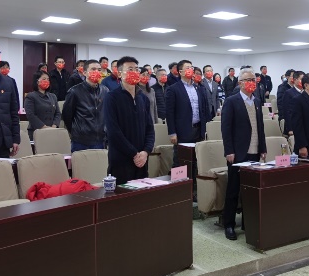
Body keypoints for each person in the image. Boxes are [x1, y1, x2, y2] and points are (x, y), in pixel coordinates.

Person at [220, 68, 266, 241]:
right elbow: (226, 128)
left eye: (253, 79)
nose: (251, 82)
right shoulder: (231, 101)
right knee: (233, 189)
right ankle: (229, 224)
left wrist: (263, 148)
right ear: (240, 83)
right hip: (238, 153)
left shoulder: (257, 101)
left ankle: (248, 222)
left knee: (251, 190)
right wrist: (229, 151)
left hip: (254, 151)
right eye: (248, 80)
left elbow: (260, 127)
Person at [104, 56, 155, 185]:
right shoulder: (111, 97)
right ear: (119, 74)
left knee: (142, 193)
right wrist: (134, 153)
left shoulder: (143, 98)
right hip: (121, 159)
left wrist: (145, 152)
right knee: (122, 195)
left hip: (142, 159)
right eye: (130, 69)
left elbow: (150, 128)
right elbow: (113, 131)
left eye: (136, 69)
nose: (135, 72)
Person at [166, 60, 209, 167]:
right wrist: (172, 132)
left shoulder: (198, 88)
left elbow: (203, 109)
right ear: (180, 72)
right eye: (187, 68)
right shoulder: (173, 89)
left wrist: (205, 129)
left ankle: (193, 178)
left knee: (196, 161)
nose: (191, 70)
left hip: (198, 129)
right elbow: (170, 113)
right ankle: (178, 178)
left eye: (191, 67)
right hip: (183, 130)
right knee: (181, 160)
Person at [62, 60, 109, 152]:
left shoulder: (105, 90)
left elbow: (107, 113)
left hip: (101, 139)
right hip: (81, 140)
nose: (97, 72)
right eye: (93, 69)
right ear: (84, 72)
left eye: (99, 70)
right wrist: (76, 131)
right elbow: (67, 115)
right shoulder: (74, 91)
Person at [24, 70, 61, 141]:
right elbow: (30, 115)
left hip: (53, 131)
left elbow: (58, 113)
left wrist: (54, 126)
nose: (46, 81)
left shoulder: (53, 96)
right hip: (37, 131)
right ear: (37, 81)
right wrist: (44, 127)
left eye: (48, 79)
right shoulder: (31, 96)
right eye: (44, 79)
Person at [283, 70, 305, 135]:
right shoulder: (289, 93)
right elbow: (287, 112)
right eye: (301, 79)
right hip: (294, 126)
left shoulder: (306, 93)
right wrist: (290, 129)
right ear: (295, 80)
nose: (303, 81)